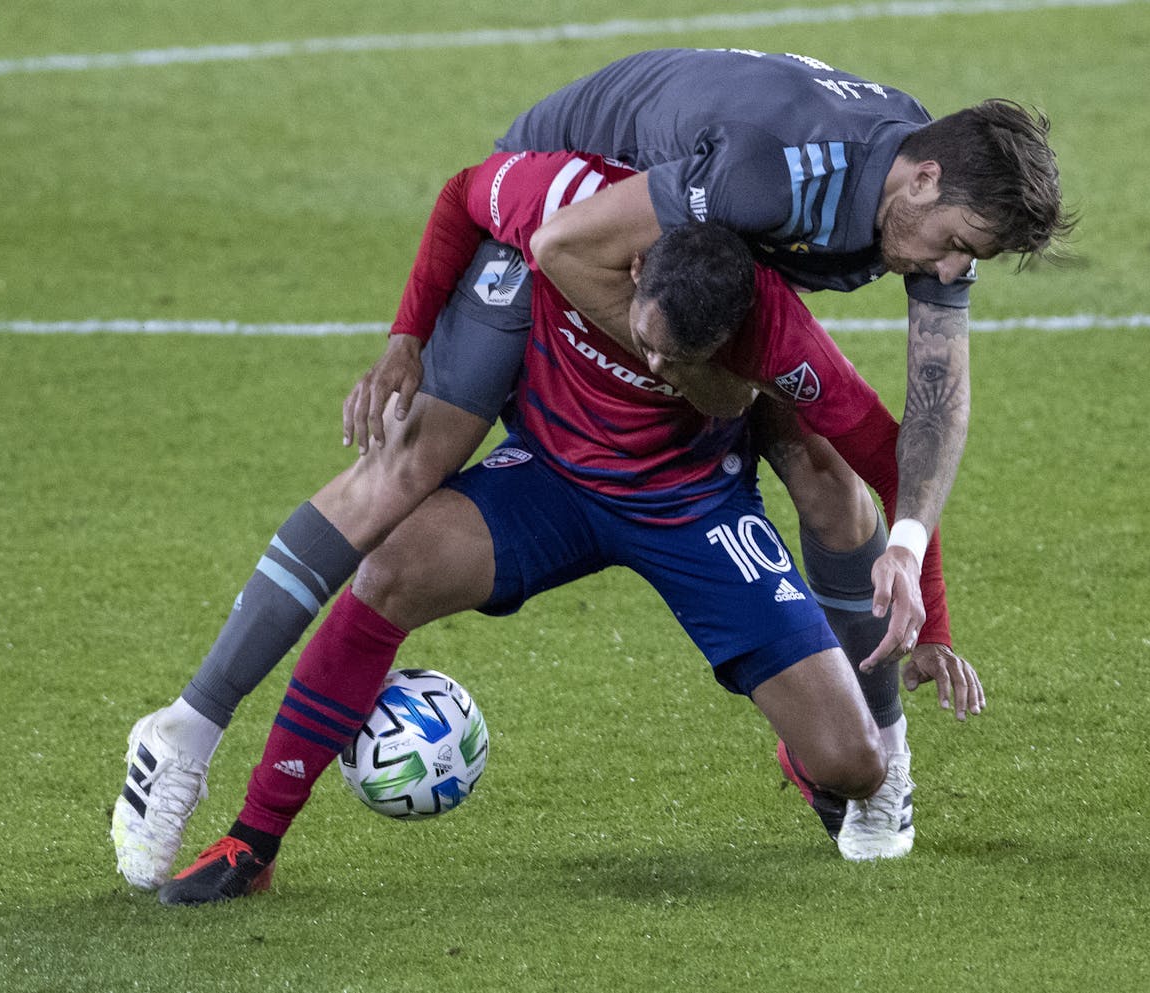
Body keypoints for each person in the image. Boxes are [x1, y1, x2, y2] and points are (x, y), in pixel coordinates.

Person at [115, 47, 1066, 887]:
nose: (950, 272)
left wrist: (918, 578)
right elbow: (538, 230)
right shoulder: (723, 181)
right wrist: (415, 335)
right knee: (409, 461)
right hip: (561, 215)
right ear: (921, 179)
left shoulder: (850, 248)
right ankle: (189, 731)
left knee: (827, 473)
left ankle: (876, 758)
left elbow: (928, 414)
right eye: (956, 247)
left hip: (694, 368)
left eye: (967, 258)